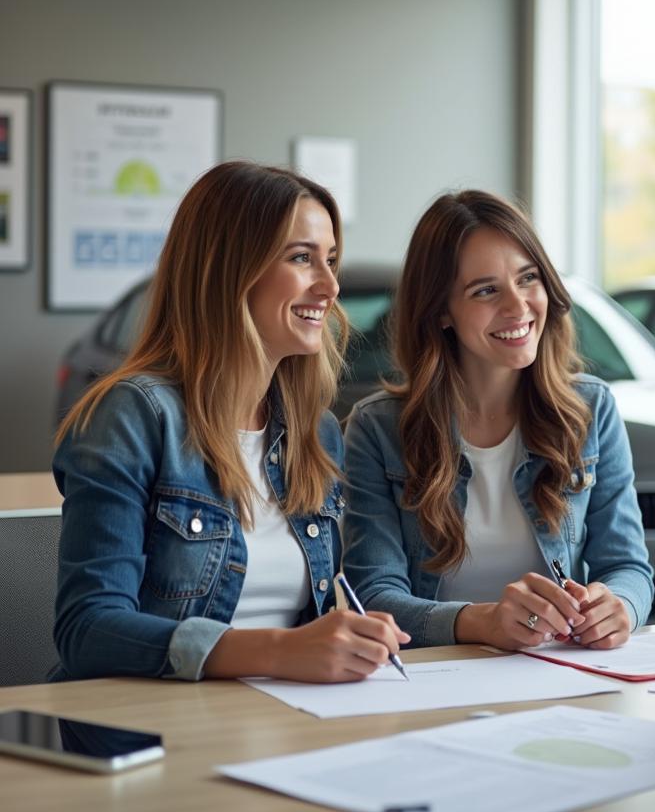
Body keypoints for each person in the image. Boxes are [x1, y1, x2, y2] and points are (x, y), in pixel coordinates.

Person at [52, 161, 408, 683]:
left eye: (330, 260)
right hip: (153, 728)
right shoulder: (134, 415)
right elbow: (88, 630)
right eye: (302, 258)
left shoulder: (314, 432)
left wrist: (349, 637)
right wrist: (278, 652)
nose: (330, 286)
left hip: (284, 717)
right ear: (229, 270)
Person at [342, 190, 654, 650]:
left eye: (528, 278)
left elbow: (628, 567)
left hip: (559, 673)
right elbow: (372, 598)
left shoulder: (591, 410)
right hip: (432, 681)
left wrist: (620, 607)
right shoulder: (377, 429)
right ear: (441, 311)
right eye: (486, 290)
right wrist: (482, 622)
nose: (518, 306)